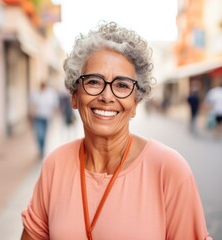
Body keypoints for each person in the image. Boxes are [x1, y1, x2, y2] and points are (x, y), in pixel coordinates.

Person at [21, 22, 211, 240]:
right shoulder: (56, 165)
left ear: (135, 102)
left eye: (122, 85)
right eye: (93, 81)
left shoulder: (169, 170)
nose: (107, 96)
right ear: (74, 96)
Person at [29, 81, 59, 158]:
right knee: (39, 135)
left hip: (46, 117)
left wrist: (53, 115)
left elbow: (55, 105)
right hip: (37, 117)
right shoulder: (35, 94)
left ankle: (42, 150)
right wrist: (31, 114)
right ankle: (40, 149)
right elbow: (31, 105)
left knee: (44, 135)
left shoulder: (50, 94)